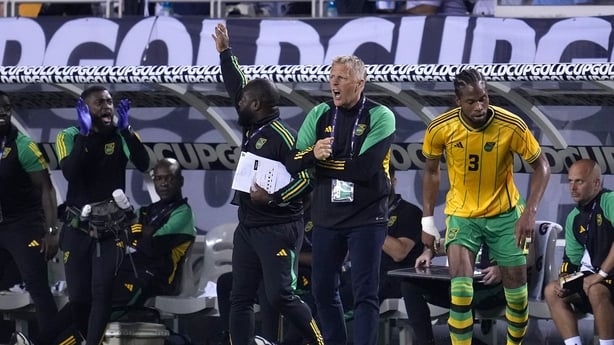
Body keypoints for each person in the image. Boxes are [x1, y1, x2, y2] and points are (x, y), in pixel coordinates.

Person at [419, 67, 551, 345]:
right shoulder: (440, 128)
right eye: (471, 101)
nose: (479, 106)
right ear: (458, 101)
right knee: (461, 292)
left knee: (517, 298)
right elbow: (431, 171)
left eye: (484, 98)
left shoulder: (511, 125)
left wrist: (530, 212)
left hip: (507, 215)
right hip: (462, 216)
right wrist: (427, 221)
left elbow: (542, 166)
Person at [211, 23, 322, 345]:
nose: (237, 104)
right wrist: (225, 53)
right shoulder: (254, 126)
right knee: (240, 297)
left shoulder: (284, 138)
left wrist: (273, 197)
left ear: (256, 105)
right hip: (248, 227)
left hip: (279, 227)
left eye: (242, 102)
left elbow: (306, 179)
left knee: (280, 297)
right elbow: (238, 86)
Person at [11, 157, 196, 345]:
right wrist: (137, 232)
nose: (163, 183)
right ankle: (38, 342)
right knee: (79, 302)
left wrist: (133, 232)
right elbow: (126, 234)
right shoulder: (147, 211)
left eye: (169, 178)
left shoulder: (183, 213)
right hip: (127, 271)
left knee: (96, 308)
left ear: (180, 181)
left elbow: (152, 247)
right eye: (159, 178)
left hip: (154, 278)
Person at [285, 54, 396, 345]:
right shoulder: (319, 113)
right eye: (332, 76)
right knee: (322, 290)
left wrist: (319, 161)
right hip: (326, 217)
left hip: (367, 217)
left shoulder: (381, 116)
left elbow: (363, 169)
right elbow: (293, 162)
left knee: (365, 292)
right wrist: (311, 154)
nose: (333, 82)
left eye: (341, 77)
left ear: (359, 83)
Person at [53, 85, 150, 345]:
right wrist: (84, 135)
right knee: (79, 298)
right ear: (85, 109)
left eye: (109, 101)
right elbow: (71, 173)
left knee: (102, 292)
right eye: (99, 103)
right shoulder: (68, 136)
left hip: (112, 230)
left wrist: (128, 131)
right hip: (77, 228)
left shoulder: (121, 135)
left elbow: (144, 163)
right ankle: (84, 338)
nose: (107, 106)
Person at [0, 90, 60, 343]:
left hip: (23, 224)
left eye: (6, 108)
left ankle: (54, 340)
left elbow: (47, 189)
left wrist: (51, 231)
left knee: (37, 286)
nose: (3, 113)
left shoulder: (23, 146)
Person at [544, 159, 614, 345]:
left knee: (597, 289)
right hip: (595, 279)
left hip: (607, 279)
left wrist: (600, 275)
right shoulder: (573, 217)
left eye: (579, 181)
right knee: (552, 290)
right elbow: (571, 259)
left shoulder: (610, 201)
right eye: (570, 181)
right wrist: (565, 279)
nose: (572, 188)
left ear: (596, 183)